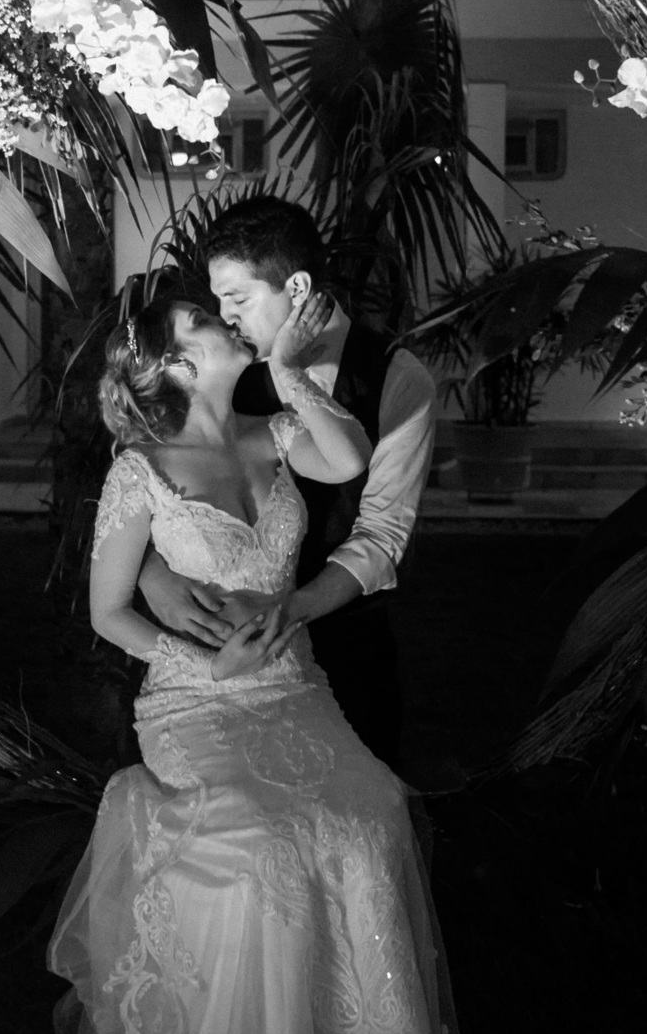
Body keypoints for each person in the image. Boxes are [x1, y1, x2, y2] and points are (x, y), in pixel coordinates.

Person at [47, 292, 467, 1034]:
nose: (224, 319)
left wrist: (287, 374)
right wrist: (200, 664)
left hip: (292, 687)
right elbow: (108, 611)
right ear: (173, 363)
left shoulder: (274, 433)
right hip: (192, 701)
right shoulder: (140, 470)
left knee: (372, 810)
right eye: (203, 320)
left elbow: (348, 458)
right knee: (257, 841)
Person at [139, 198, 436, 769]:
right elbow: (158, 480)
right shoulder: (224, 367)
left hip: (345, 644)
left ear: (296, 288)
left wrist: (289, 611)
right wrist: (153, 573)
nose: (225, 318)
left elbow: (381, 535)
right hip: (221, 655)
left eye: (238, 298)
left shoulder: (398, 379)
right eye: (218, 301)